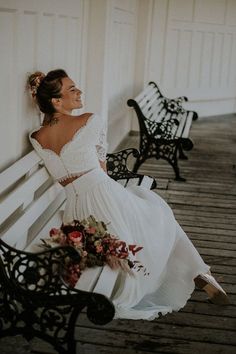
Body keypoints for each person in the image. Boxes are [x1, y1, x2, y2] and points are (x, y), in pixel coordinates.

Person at [28, 69, 229, 320]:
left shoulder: (36, 137)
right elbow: (102, 169)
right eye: (72, 89)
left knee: (149, 218)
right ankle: (198, 272)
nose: (79, 91)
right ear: (56, 101)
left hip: (75, 209)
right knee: (158, 214)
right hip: (103, 194)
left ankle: (198, 272)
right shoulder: (90, 120)